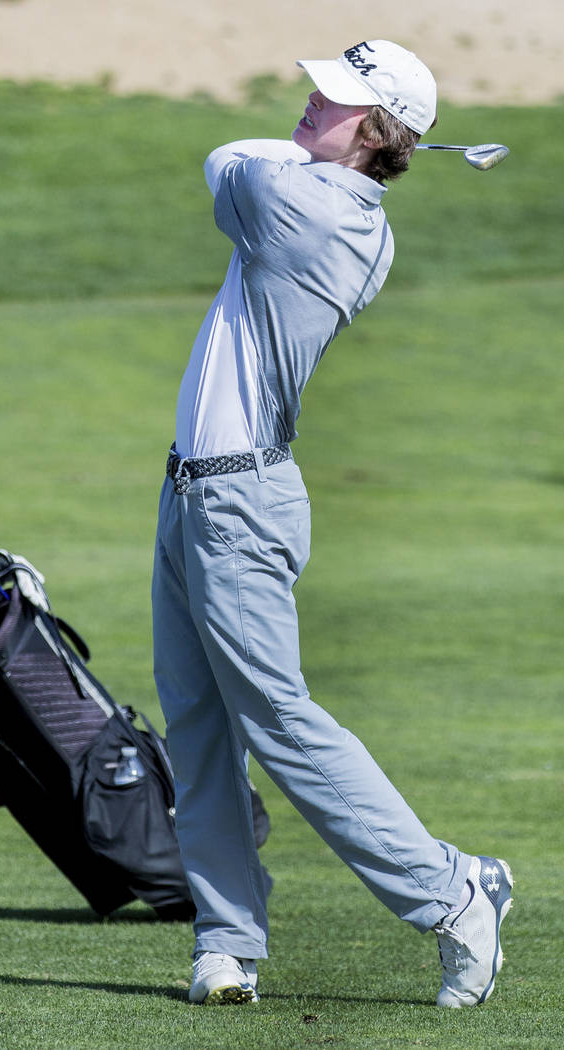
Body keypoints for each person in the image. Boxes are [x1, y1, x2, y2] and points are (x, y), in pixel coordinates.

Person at [151, 40, 512, 1009]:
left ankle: (451, 891)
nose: (312, 100)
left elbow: (225, 155)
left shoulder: (299, 205)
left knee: (278, 719)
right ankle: (227, 941)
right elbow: (264, 150)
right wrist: (348, 143)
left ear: (379, 132)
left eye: (339, 100)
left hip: (236, 503)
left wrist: (322, 152)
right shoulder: (339, 203)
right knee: (196, 724)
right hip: (195, 492)